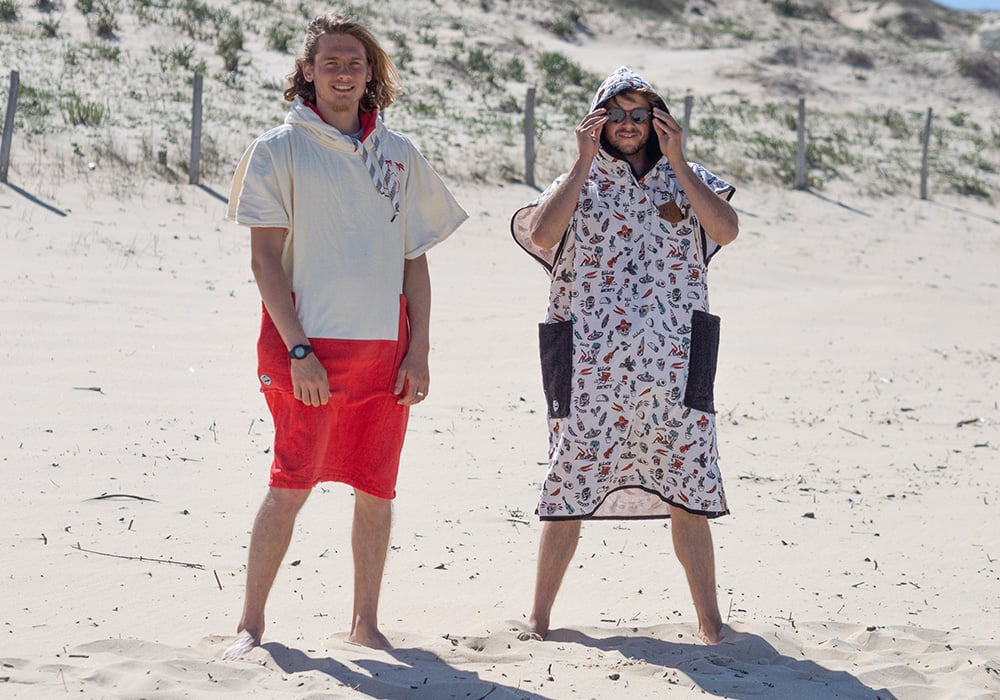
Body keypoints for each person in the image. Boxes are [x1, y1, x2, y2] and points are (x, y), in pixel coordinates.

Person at [223, 14, 467, 657]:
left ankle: (365, 623)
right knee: (290, 482)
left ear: (370, 73)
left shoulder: (399, 152)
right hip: (305, 349)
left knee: (376, 487)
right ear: (306, 71)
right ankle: (250, 625)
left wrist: (418, 350)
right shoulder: (279, 149)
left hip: (384, 351)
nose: (342, 71)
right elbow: (265, 262)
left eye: (354, 62)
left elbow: (415, 258)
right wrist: (299, 349)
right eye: (329, 61)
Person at [510, 66, 739, 645]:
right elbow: (541, 234)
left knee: (689, 485)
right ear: (599, 120)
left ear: (657, 119)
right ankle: (538, 619)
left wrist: (680, 161)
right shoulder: (575, 180)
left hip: (675, 367)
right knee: (569, 481)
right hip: (591, 369)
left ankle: (711, 624)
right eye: (617, 114)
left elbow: (727, 230)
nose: (629, 125)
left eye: (640, 114)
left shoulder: (688, 179)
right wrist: (583, 160)